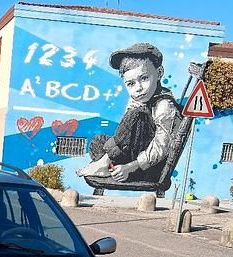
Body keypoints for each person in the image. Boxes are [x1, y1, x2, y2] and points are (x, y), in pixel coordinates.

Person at [77, 43, 180, 183]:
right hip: (132, 157)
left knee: (136, 115)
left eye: (144, 78)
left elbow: (161, 147)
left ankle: (106, 164)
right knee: (98, 141)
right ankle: (111, 167)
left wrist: (130, 167)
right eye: (131, 84)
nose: (138, 88)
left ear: (159, 73)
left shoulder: (164, 105)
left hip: (146, 168)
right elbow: (125, 133)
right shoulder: (139, 100)